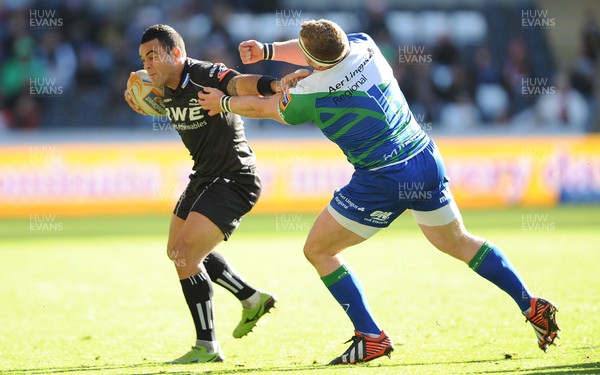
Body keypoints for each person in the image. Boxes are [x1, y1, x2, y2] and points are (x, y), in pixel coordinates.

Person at [198, 19, 561, 365]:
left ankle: (370, 336)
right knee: (458, 242)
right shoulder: (365, 46)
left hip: (381, 178)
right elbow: (317, 51)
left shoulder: (309, 92)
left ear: (310, 59)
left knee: (318, 249)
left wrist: (223, 103)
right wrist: (267, 50)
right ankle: (531, 305)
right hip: (422, 156)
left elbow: (265, 107)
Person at [123, 24, 293, 364]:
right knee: (177, 251)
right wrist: (141, 101)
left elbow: (237, 83)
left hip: (235, 177)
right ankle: (251, 298)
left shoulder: (203, 73)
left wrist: (273, 84)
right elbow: (150, 99)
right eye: (143, 58)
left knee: (186, 253)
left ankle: (207, 345)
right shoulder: (160, 88)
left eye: (153, 55)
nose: (147, 64)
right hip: (203, 176)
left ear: (176, 53)